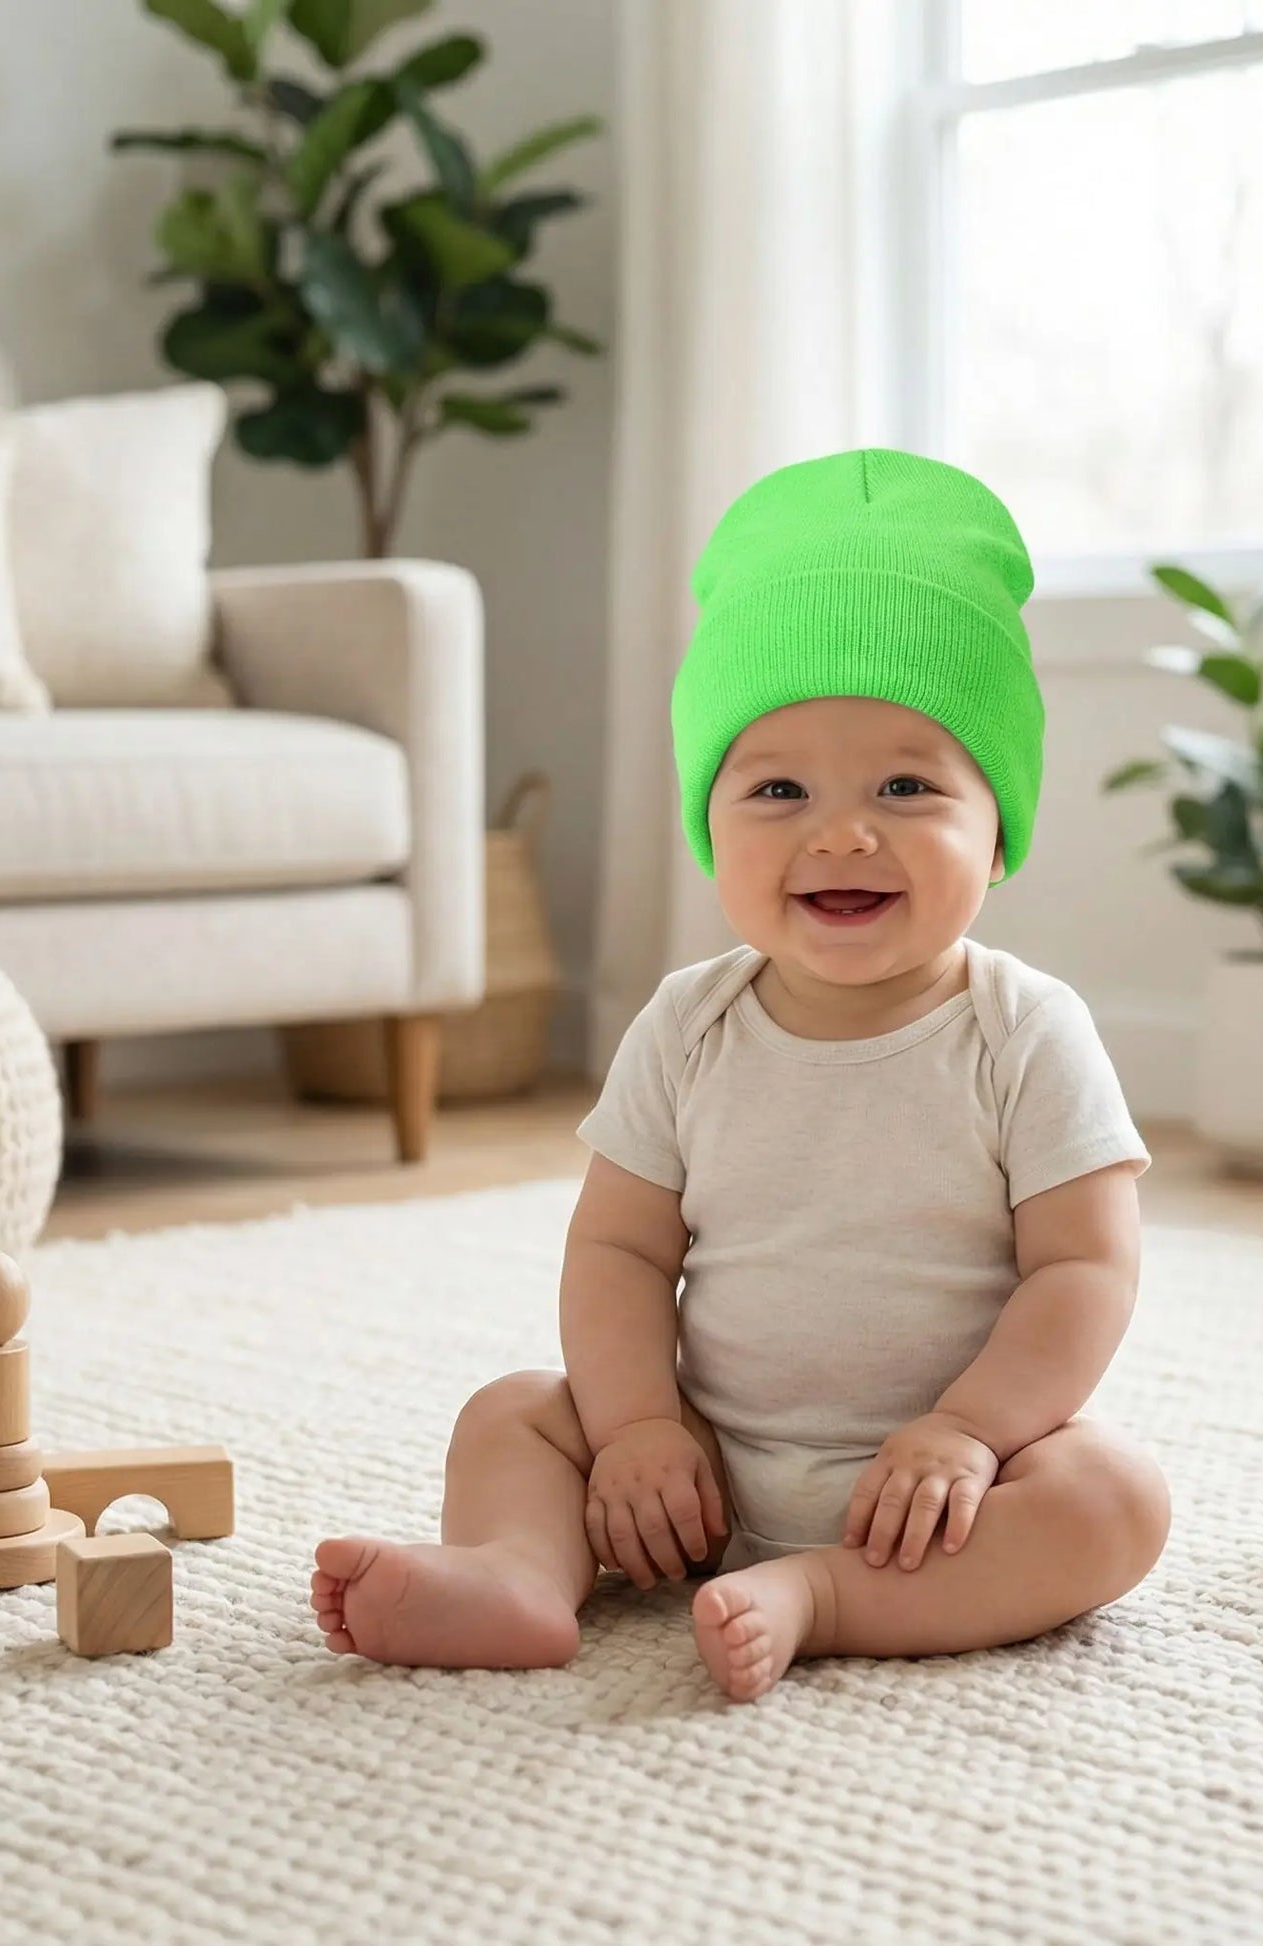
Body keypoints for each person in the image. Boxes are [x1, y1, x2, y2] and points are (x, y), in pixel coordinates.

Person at [310, 448, 1171, 1700]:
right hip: (699, 1466)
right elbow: (615, 1252)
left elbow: (1083, 1266)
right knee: (512, 1412)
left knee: (1115, 1500)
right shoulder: (687, 1025)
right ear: (709, 827)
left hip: (932, 1491)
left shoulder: (1024, 1030)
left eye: (905, 785)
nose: (840, 829)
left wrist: (970, 1430)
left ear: (998, 840)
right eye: (776, 787)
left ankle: (823, 1595)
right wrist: (637, 1428)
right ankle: (516, 1573)